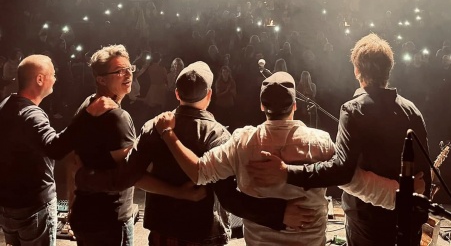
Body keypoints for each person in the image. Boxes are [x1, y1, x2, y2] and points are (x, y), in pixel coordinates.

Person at [75, 62, 317, 246]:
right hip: (202, 232)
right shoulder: (216, 134)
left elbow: (126, 176)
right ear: (209, 95)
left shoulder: (153, 126)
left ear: (177, 94)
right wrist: (278, 214)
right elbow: (229, 198)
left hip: (162, 230)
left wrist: (86, 178)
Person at [156, 69, 402, 246]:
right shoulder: (319, 142)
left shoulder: (243, 142)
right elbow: (361, 184)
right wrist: (404, 195)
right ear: (295, 105)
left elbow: (198, 171)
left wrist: (168, 134)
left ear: (262, 106)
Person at [247, 34, 431, 246]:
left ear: (356, 70)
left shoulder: (354, 110)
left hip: (367, 223)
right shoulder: (412, 111)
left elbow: (342, 171)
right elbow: (424, 174)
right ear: (389, 69)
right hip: (409, 221)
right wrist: (418, 216)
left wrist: (287, 172)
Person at [0, 54, 112, 246]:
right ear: (40, 79)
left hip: (7, 206)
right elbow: (55, 148)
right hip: (33, 207)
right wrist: (87, 115)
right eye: (53, 74)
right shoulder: (32, 115)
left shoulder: (5, 105)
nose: (55, 78)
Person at [68, 44, 138, 246]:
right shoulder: (118, 117)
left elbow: (72, 160)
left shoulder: (88, 104)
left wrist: (71, 204)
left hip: (84, 214)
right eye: (119, 71)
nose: (128, 74)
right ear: (101, 79)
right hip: (110, 221)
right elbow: (128, 174)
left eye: (129, 68)